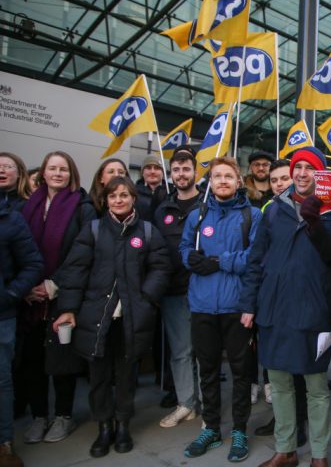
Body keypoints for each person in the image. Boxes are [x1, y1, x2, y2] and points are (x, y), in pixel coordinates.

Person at [51, 176, 170, 457]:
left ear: (133, 199)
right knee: (99, 377)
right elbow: (75, 271)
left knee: (126, 376)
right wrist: (68, 309)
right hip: (95, 317)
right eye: (113, 196)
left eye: (124, 195)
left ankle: (123, 424)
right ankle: (104, 426)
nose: (119, 200)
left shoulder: (148, 232)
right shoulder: (93, 230)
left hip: (131, 317)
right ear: (105, 200)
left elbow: (161, 267)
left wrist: (145, 298)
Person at [242, 147, 331, 467]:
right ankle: (285, 449)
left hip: (313, 310)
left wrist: (315, 222)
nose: (301, 173)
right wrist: (249, 304)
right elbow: (256, 260)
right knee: (280, 383)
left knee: (316, 387)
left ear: (320, 174)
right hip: (274, 309)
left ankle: (319, 454)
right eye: (297, 167)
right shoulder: (273, 210)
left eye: (309, 168)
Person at [179, 157, 262, 462]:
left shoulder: (252, 215)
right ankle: (211, 428)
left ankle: (239, 430)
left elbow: (254, 257)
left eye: (229, 176)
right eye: (217, 176)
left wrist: (219, 261)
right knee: (208, 369)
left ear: (239, 181)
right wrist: (190, 259)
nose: (223, 181)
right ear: (210, 181)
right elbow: (184, 249)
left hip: (236, 305)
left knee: (241, 372)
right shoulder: (198, 215)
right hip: (202, 305)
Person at [18, 151, 96, 444]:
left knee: (62, 359)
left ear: (71, 174)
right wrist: (27, 286)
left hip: (64, 294)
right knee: (32, 360)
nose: (58, 174)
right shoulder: (28, 206)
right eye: (52, 168)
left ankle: (63, 415)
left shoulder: (83, 208)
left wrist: (54, 285)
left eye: (63, 169)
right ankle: (40, 416)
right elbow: (17, 248)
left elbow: (82, 252)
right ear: (43, 173)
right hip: (30, 296)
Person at [153, 147, 201, 428]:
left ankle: (208, 402)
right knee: (181, 351)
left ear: (195, 171)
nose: (181, 174)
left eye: (186, 169)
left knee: (205, 350)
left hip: (203, 289)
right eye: (176, 170)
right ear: (170, 174)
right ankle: (187, 403)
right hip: (173, 291)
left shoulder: (207, 204)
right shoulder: (162, 209)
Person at [0, 200, 43, 467]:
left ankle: (4, 444)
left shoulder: (10, 219)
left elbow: (33, 263)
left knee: (1, 381)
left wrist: (10, 295)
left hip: (1, 316)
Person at [135, 155, 166, 220]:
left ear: (163, 173)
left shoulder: (171, 191)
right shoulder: (133, 192)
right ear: (142, 172)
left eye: (157, 168)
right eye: (148, 168)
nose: (152, 171)